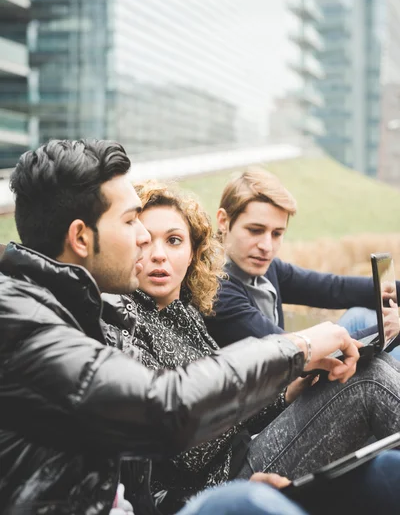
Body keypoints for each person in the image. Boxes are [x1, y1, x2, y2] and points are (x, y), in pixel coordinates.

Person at [0, 139, 364, 515]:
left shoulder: (79, 314)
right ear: (80, 238)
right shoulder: (23, 322)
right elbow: (163, 410)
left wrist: (288, 387)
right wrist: (298, 346)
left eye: (172, 240)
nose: (143, 240)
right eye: (130, 222)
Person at [105, 181, 400, 515]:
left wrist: (289, 391)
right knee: (367, 380)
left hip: (242, 453)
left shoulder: (184, 312)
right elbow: (189, 447)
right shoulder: (126, 322)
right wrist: (286, 370)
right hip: (217, 484)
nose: (158, 254)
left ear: (192, 253)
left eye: (173, 240)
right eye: (145, 240)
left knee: (366, 363)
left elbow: (331, 288)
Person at [207, 167, 400, 362]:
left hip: (294, 364)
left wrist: (392, 291)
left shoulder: (264, 267)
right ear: (223, 221)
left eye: (277, 234)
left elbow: (334, 288)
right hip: (286, 382)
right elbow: (289, 352)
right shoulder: (216, 288)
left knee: (360, 315)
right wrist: (388, 330)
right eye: (255, 230)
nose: (267, 246)